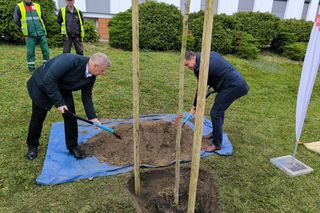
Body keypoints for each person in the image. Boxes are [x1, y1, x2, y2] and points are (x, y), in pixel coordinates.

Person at [25, 52, 111, 160]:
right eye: (102, 70)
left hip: (63, 88)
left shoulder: (91, 76)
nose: (102, 73)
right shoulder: (69, 61)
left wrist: (92, 117)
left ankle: (72, 146)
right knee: (38, 118)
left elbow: (86, 96)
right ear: (95, 66)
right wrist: (59, 103)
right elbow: (48, 80)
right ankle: (32, 146)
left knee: (71, 117)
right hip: (42, 85)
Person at [184, 51, 249, 152]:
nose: (188, 67)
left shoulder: (201, 67)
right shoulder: (206, 55)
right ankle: (215, 134)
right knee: (219, 110)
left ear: (193, 58)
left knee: (215, 113)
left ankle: (216, 144)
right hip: (232, 83)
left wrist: (194, 107)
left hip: (234, 86)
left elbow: (200, 89)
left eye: (187, 64)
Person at [14, 0, 50, 74]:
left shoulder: (37, 6)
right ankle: (31, 69)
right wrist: (24, 27)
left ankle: (47, 66)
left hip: (41, 32)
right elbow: (16, 20)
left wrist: (41, 27)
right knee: (30, 52)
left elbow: (43, 18)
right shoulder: (19, 6)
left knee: (45, 50)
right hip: (29, 34)